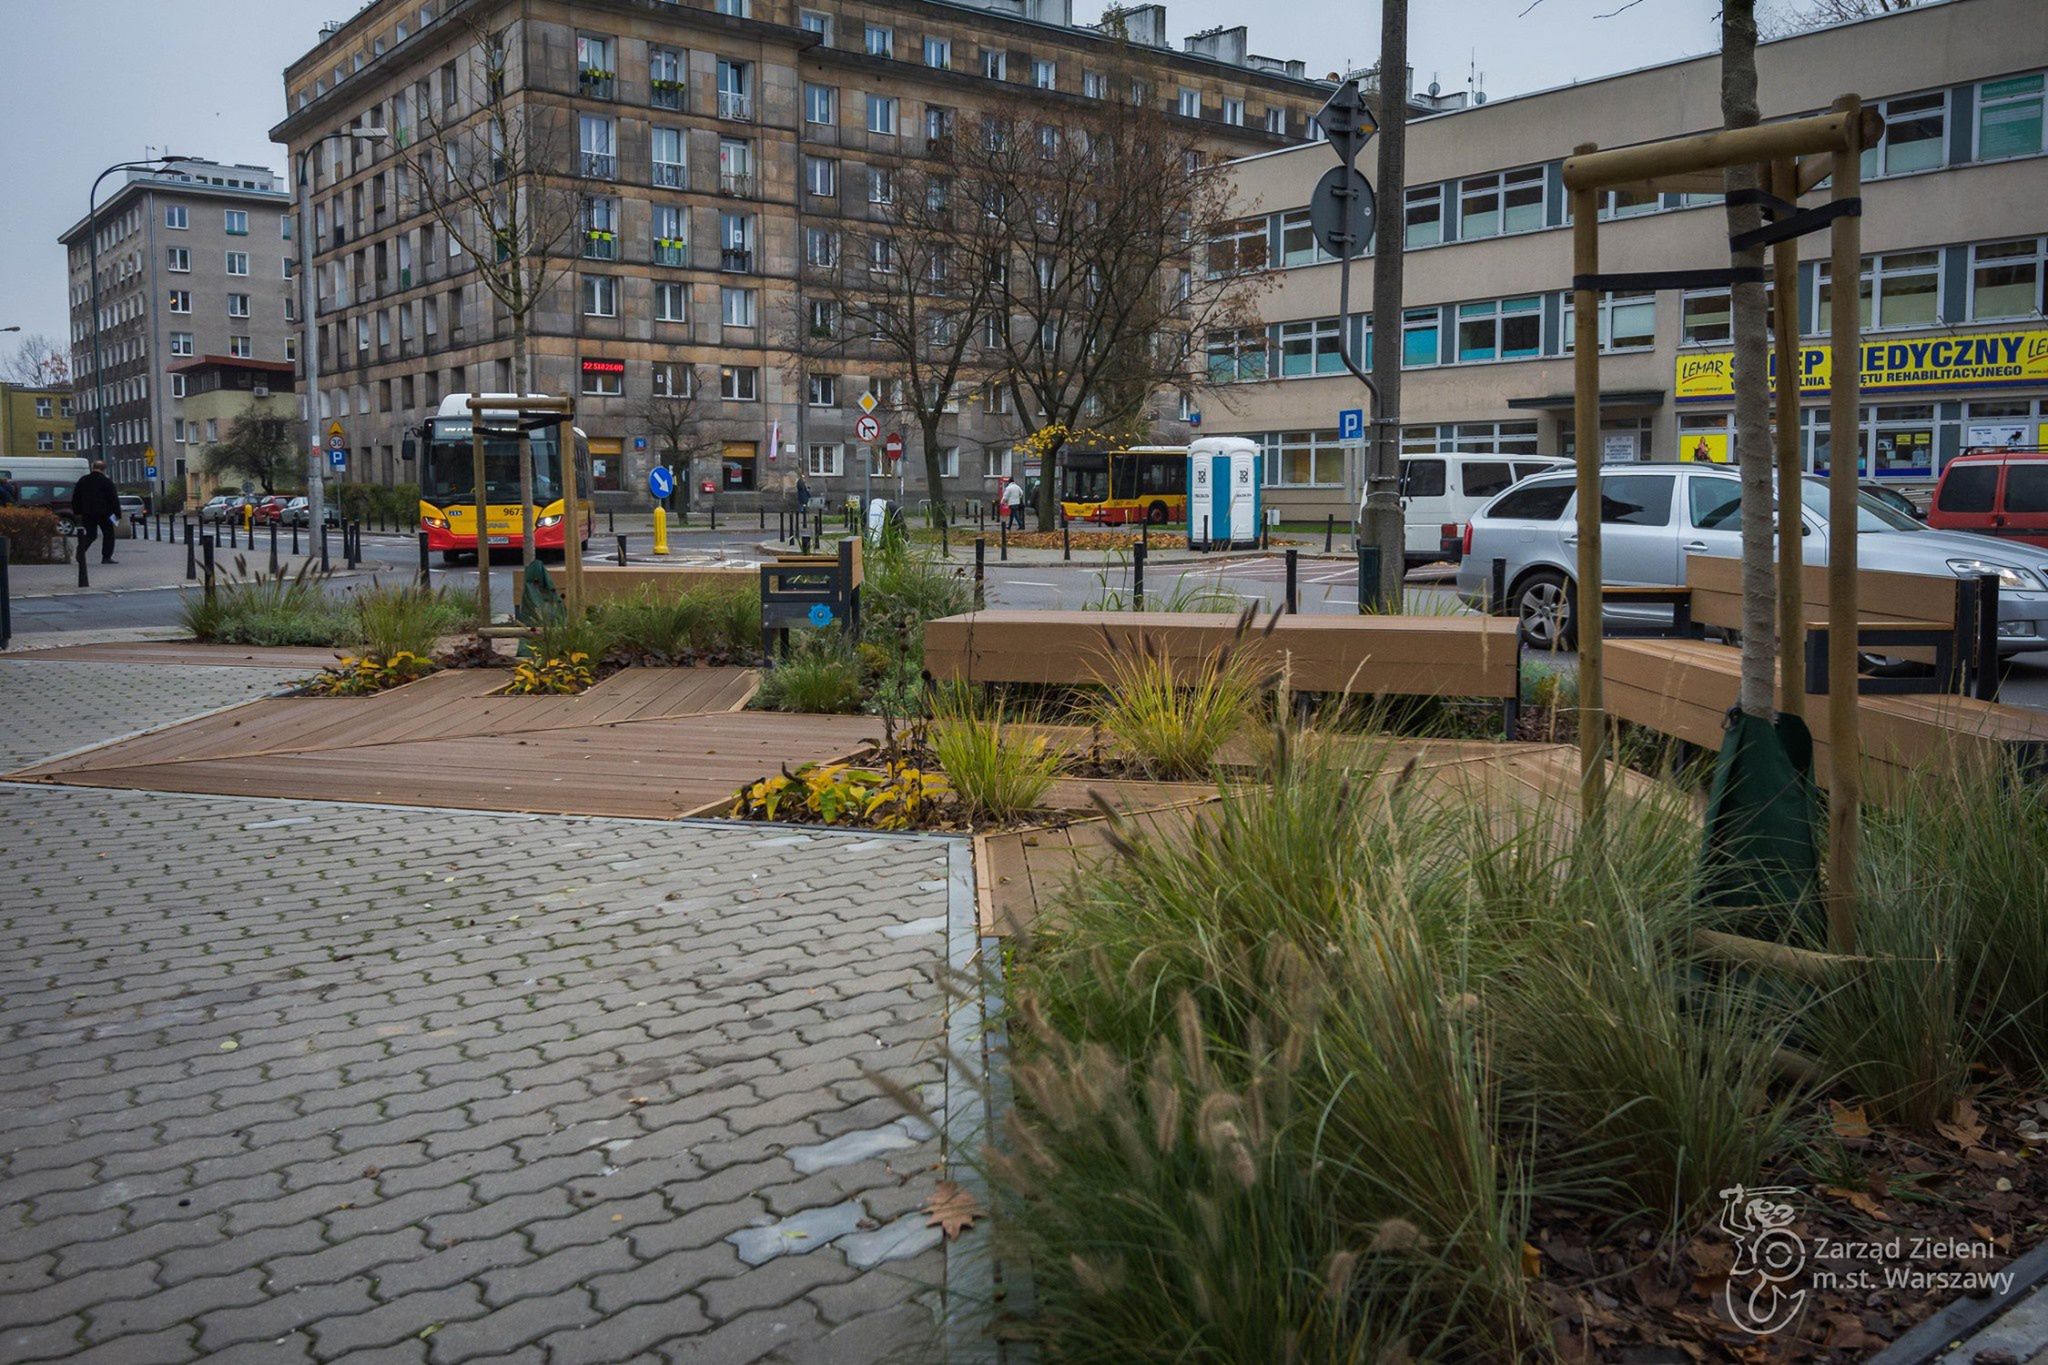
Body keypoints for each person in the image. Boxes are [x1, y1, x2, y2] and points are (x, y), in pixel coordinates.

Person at [71, 460, 120, 564]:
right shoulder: (107, 482)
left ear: (92, 467)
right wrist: (117, 514)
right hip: (105, 513)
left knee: (91, 534)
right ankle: (106, 557)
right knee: (108, 534)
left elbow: (76, 497)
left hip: (87, 513)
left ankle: (80, 552)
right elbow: (113, 499)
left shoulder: (83, 480)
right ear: (104, 469)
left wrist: (77, 511)